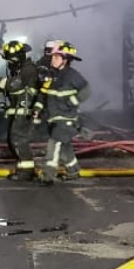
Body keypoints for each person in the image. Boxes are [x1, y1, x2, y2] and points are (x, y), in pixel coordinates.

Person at [33, 41, 90, 184]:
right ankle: (73, 171)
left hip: (66, 118)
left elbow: (86, 91)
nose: (53, 59)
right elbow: (43, 94)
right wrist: (38, 109)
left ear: (65, 60)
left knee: (54, 144)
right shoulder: (51, 75)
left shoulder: (72, 75)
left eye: (56, 57)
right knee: (65, 146)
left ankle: (48, 175)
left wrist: (70, 102)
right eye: (53, 57)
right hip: (54, 118)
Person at [0, 40, 39, 180]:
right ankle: (24, 170)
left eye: (10, 60)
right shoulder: (20, 69)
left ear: (16, 58)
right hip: (19, 111)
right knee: (13, 141)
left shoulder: (28, 70)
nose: (8, 63)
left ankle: (26, 172)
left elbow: (13, 85)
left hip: (25, 112)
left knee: (18, 140)